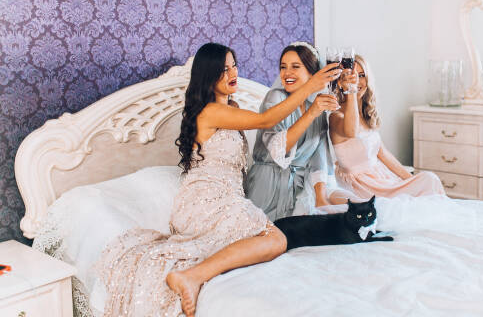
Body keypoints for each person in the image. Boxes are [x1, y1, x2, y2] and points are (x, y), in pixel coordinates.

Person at [95, 43, 340, 317]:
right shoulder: (210, 111)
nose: (232, 72)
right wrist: (313, 85)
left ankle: (193, 275)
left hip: (227, 196)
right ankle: (192, 276)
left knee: (274, 240)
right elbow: (266, 119)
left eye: (234, 65)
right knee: (276, 241)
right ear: (209, 76)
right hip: (206, 197)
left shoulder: (231, 107)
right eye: (223, 69)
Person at [244, 42, 344, 220]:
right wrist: (312, 113)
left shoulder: (315, 105)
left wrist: (320, 198)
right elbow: (279, 148)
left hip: (299, 189)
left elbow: (319, 155)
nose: (286, 73)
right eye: (283, 67)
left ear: (312, 74)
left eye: (295, 67)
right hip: (268, 188)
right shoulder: (274, 98)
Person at [326, 54, 444, 204]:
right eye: (350, 76)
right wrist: (351, 91)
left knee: (428, 180)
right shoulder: (336, 116)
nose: (357, 81)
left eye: (361, 76)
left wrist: (412, 181)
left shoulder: (364, 113)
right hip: (363, 186)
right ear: (341, 81)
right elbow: (351, 131)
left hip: (380, 178)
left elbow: (383, 153)